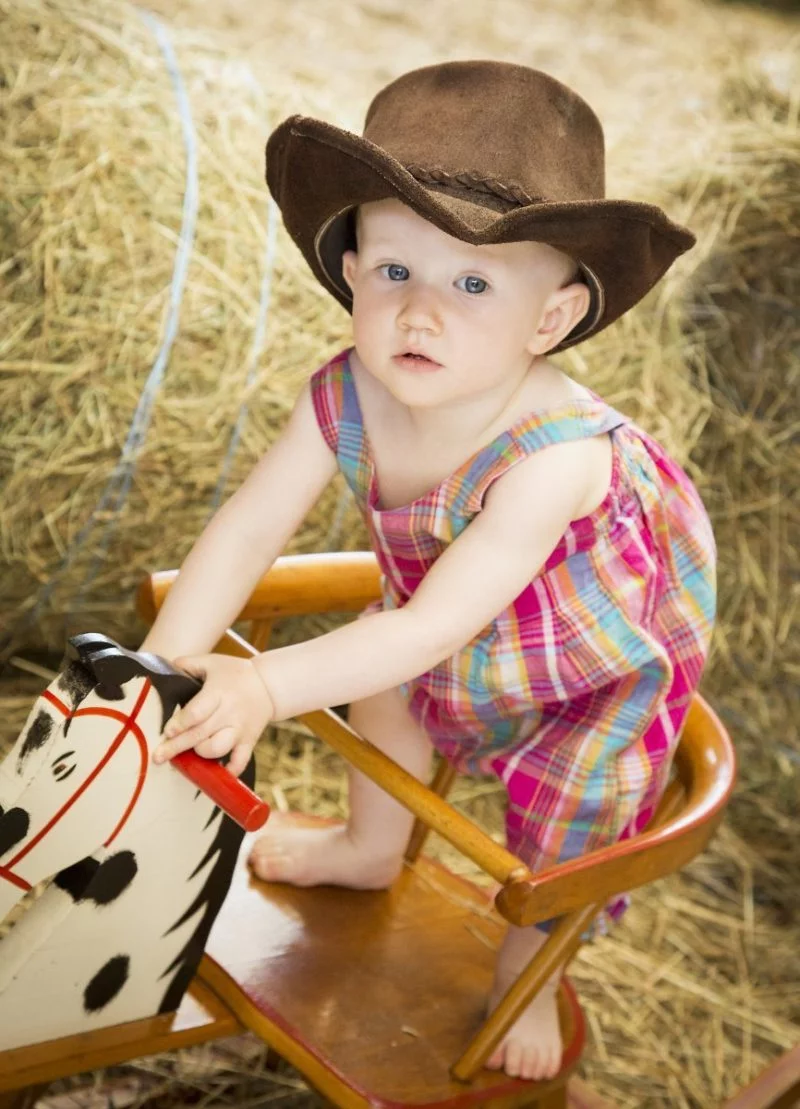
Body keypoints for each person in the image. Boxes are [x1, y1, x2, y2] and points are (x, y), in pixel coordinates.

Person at [143, 61, 716, 1082]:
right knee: (382, 687)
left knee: (562, 830)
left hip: (590, 659)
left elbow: (430, 627)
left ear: (548, 320)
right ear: (352, 270)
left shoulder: (553, 458)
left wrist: (265, 684)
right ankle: (371, 848)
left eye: (472, 284)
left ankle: (527, 974)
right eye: (396, 271)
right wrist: (163, 664)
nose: (421, 314)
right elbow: (246, 527)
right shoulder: (348, 390)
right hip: (455, 620)